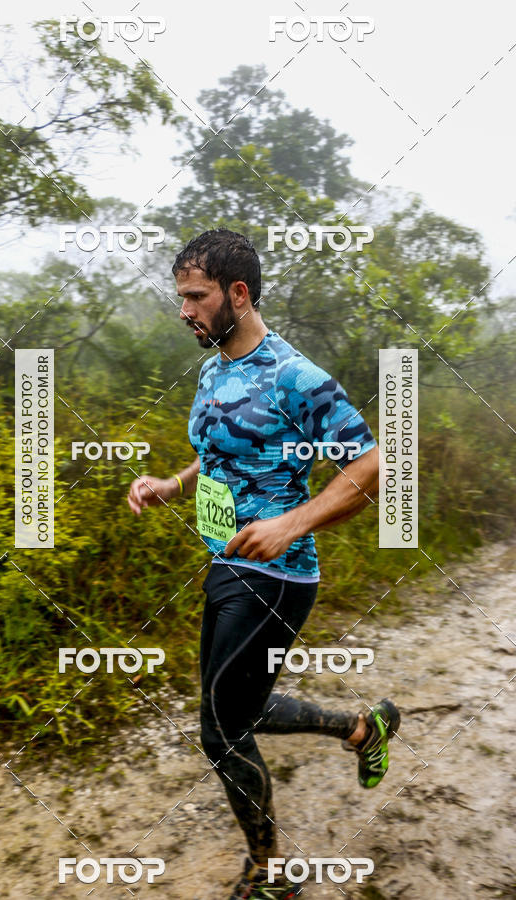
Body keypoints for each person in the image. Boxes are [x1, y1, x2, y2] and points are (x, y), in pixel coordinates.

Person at [127, 229, 400, 900]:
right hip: (226, 559)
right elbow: (219, 454)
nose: (184, 310)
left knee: (220, 730)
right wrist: (172, 485)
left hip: (277, 576)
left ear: (239, 294)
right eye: (181, 297)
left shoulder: (294, 376)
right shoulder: (214, 367)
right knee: (233, 709)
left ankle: (270, 874)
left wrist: (291, 523)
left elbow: (374, 466)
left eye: (196, 296)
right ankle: (362, 728)